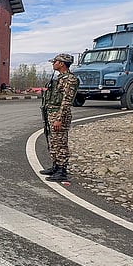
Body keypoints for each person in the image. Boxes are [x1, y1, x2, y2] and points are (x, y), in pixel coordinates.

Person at [39, 53, 79, 181]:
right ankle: (56, 166)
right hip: (52, 114)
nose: (53, 64)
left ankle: (62, 170)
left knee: (60, 142)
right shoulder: (60, 78)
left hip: (59, 115)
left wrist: (59, 119)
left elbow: (66, 101)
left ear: (62, 63)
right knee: (54, 142)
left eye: (55, 61)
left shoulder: (70, 79)